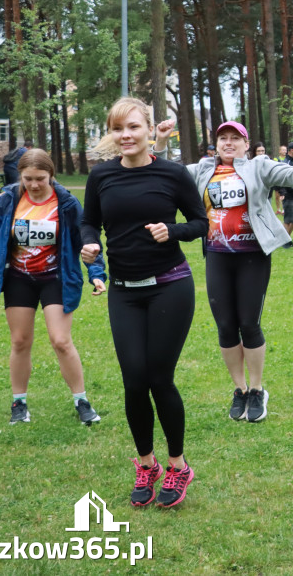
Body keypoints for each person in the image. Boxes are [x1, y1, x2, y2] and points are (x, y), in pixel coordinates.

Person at [81, 97, 208, 509]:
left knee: (159, 377)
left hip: (169, 285)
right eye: (118, 128)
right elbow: (89, 220)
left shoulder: (172, 174)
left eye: (133, 127)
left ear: (149, 129)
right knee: (134, 380)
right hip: (123, 290)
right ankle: (146, 464)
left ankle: (177, 464)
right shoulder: (101, 176)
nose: (126, 136)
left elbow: (200, 223)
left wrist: (172, 231)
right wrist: (88, 242)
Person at [155, 120, 293, 422]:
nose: (228, 143)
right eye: (223, 139)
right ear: (215, 144)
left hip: (252, 256)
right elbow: (165, 175)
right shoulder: (203, 169)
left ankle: (257, 389)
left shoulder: (259, 166)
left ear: (246, 144)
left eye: (235, 138)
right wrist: (161, 143)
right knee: (226, 326)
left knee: (249, 322)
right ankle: (240, 390)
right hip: (218, 256)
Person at [0, 149, 106, 426]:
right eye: (28, 178)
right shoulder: (9, 198)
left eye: (40, 178)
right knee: (19, 341)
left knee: (61, 341)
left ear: (51, 174)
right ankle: (19, 403)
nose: (34, 184)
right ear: (20, 176)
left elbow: (86, 239)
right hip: (18, 278)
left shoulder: (65, 203)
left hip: (56, 277)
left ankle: (82, 401)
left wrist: (96, 272)